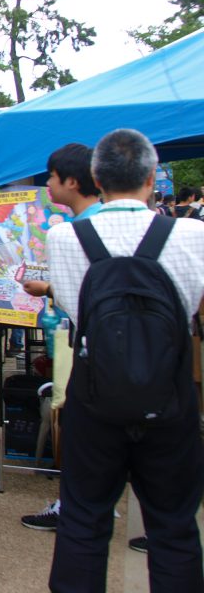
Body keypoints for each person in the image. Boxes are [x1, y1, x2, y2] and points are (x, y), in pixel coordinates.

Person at [45, 129, 204, 592]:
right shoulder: (192, 234)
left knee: (84, 520)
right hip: (170, 399)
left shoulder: (64, 238)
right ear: (153, 177)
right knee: (173, 528)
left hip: (94, 398)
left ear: (95, 176)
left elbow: (75, 309)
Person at [18, 142, 101, 531]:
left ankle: (74, 505)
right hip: (137, 354)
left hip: (85, 346)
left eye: (51, 176)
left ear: (71, 181)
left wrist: (46, 289)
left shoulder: (70, 235)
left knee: (77, 423)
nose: (47, 184)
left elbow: (73, 298)